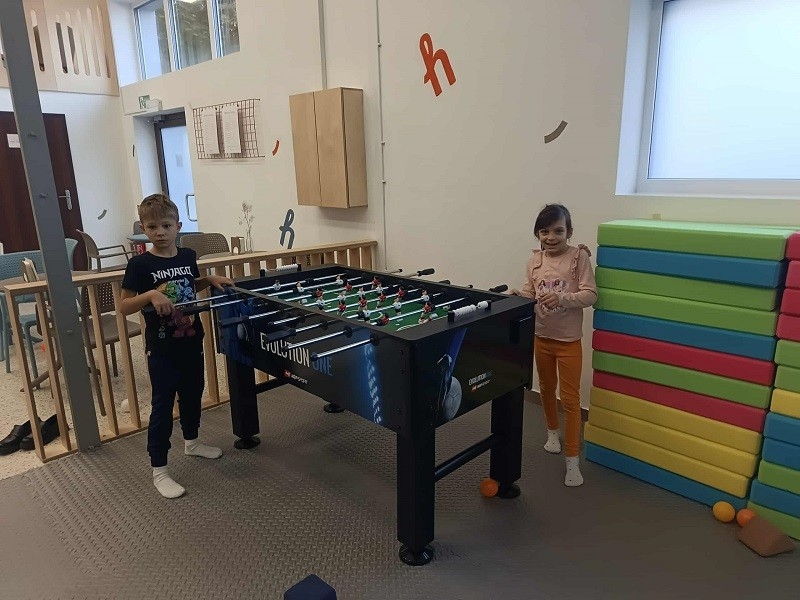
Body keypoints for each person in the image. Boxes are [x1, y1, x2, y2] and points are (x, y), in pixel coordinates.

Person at [119, 194, 234, 499]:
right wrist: (150, 296)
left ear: (178, 226)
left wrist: (208, 279)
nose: (160, 232)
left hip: (192, 338)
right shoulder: (140, 264)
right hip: (162, 347)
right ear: (144, 228)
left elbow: (187, 285)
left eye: (166, 225)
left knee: (193, 393)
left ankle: (192, 442)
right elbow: (124, 306)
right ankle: (159, 470)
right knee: (162, 404)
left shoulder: (187, 255)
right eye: (152, 227)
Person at [510, 204, 596, 487]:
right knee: (546, 389)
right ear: (538, 234)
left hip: (568, 341)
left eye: (558, 231)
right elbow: (530, 292)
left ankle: (572, 460)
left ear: (569, 232)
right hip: (541, 337)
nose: (551, 237)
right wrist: (519, 296)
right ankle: (551, 433)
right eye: (544, 231)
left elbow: (590, 295)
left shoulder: (579, 257)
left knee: (570, 400)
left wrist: (562, 299)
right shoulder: (534, 260)